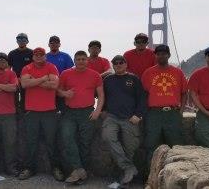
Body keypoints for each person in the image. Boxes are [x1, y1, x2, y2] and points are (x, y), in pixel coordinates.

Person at [57, 51, 104, 184]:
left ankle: (80, 173)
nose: (81, 61)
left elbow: (101, 95)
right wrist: (65, 93)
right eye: (78, 59)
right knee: (67, 137)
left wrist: (97, 111)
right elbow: (58, 91)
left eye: (83, 59)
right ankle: (79, 170)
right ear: (74, 60)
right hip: (69, 112)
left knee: (85, 142)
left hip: (87, 112)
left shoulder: (95, 75)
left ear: (87, 60)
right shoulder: (66, 73)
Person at [18, 47, 64, 181]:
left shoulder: (52, 67)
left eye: (41, 55)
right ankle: (29, 168)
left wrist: (35, 81)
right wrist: (44, 78)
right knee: (31, 142)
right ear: (33, 56)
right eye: (36, 55)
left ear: (45, 56)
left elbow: (54, 85)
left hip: (49, 111)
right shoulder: (27, 68)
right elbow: (25, 84)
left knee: (52, 142)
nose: (39, 57)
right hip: (32, 111)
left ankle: (56, 168)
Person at [101, 55, 146, 186]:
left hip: (130, 117)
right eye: (116, 63)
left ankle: (124, 174)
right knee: (108, 136)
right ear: (113, 65)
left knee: (130, 146)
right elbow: (102, 96)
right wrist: (102, 109)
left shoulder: (134, 79)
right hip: (112, 116)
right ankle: (129, 169)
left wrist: (138, 115)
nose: (118, 64)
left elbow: (142, 99)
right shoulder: (108, 79)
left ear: (126, 64)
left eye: (121, 62)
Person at [141, 45, 187, 164]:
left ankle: (177, 176)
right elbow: (143, 94)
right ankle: (150, 177)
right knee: (151, 145)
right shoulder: (148, 73)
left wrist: (180, 112)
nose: (161, 56)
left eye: (164, 53)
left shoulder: (178, 72)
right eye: (158, 53)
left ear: (169, 55)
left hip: (172, 113)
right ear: (155, 56)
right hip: (154, 114)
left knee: (176, 146)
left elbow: (184, 93)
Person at [8, 33, 33, 113]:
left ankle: (26, 115)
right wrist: (13, 80)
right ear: (17, 41)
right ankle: (15, 115)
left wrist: (27, 80)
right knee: (14, 100)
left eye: (23, 39)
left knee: (26, 100)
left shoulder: (31, 53)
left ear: (27, 41)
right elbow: (8, 69)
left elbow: (34, 68)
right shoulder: (12, 53)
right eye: (19, 39)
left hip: (28, 81)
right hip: (15, 80)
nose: (21, 41)